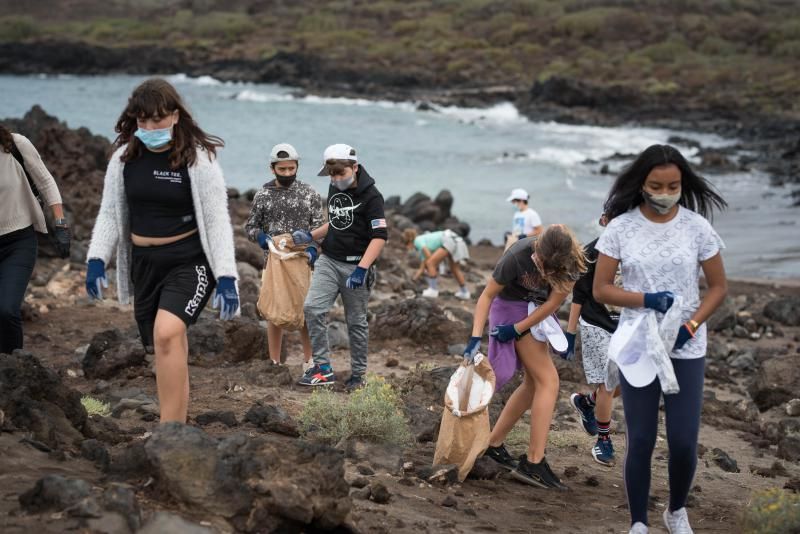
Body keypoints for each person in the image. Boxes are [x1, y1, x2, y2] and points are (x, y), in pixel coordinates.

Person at [85, 78, 240, 424]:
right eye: (142, 121)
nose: (150, 127)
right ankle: (179, 424)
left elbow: (217, 222)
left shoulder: (199, 160)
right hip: (144, 265)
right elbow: (110, 212)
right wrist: (97, 259)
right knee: (167, 346)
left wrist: (227, 277)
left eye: (157, 120)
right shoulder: (124, 159)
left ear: (174, 115)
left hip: (189, 262)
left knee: (167, 333)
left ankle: (168, 432)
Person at [593, 144, 727, 534]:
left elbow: (718, 288)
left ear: (682, 184)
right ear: (642, 184)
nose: (665, 193)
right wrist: (645, 299)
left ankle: (676, 511)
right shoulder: (621, 228)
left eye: (673, 186)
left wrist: (692, 325)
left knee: (684, 441)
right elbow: (601, 289)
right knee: (642, 438)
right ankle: (638, 522)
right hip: (638, 343)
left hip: (686, 345)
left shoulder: (697, 228)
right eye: (656, 185)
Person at [465, 224, 586, 490]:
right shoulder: (517, 255)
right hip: (508, 307)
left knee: (534, 384)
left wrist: (520, 329)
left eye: (549, 269)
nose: (543, 271)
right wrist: (475, 336)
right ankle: (534, 462)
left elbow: (553, 303)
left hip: (536, 311)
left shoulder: (572, 261)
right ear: (537, 250)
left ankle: (493, 445)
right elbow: (486, 296)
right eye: (541, 264)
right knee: (548, 382)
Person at [293, 144, 387, 390]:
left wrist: (362, 269)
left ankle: (358, 375)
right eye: (331, 175)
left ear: (354, 167)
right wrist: (311, 235)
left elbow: (379, 237)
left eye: (340, 174)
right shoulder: (334, 186)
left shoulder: (372, 196)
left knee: (356, 322)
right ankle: (323, 369)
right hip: (330, 260)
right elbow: (336, 222)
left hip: (357, 266)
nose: (335, 179)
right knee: (312, 308)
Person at [244, 143, 323, 370]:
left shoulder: (309, 194)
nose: (287, 173)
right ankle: (274, 362)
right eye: (282, 169)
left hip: (303, 260)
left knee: (306, 310)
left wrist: (313, 250)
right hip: (274, 259)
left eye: (291, 168)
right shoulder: (263, 195)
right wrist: (259, 237)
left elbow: (320, 228)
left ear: (297, 166)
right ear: (272, 168)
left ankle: (309, 361)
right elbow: (251, 226)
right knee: (274, 310)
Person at [0, 125, 70, 354]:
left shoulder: (16, 145)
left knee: (7, 310)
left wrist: (60, 225)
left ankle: (15, 368)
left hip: (17, 242)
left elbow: (46, 182)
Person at [565, 213, 621, 467]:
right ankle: (604, 439)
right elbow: (579, 295)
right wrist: (570, 332)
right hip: (595, 323)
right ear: (603, 220)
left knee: (627, 384)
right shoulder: (592, 253)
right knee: (608, 385)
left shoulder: (640, 252)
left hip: (628, 326)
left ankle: (587, 403)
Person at [402, 228, 470, 300]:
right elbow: (422, 268)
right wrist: (414, 279)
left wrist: (434, 265)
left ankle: (433, 290)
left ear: (409, 242)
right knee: (455, 269)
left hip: (448, 240)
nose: (408, 249)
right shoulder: (422, 244)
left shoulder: (417, 240)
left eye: (407, 246)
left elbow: (429, 257)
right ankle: (465, 292)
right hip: (455, 240)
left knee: (430, 263)